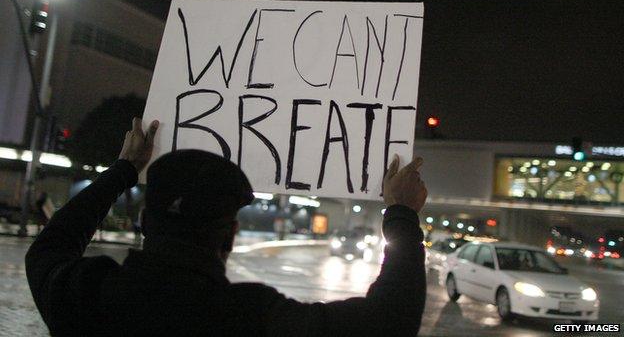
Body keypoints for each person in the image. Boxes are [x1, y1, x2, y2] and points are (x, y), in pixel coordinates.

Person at [25, 117, 428, 336]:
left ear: (146, 221)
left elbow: (50, 245)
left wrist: (124, 169)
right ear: (231, 237)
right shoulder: (251, 318)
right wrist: (400, 211)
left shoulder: (84, 293)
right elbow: (391, 319)